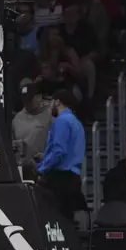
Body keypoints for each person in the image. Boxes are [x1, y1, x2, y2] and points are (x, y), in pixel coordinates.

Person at [37, 89, 87, 219]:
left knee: (57, 221)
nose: (50, 105)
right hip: (73, 178)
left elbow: (59, 152)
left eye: (51, 101)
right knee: (67, 222)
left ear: (57, 102)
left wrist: (41, 170)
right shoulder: (77, 123)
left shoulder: (62, 121)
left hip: (61, 180)